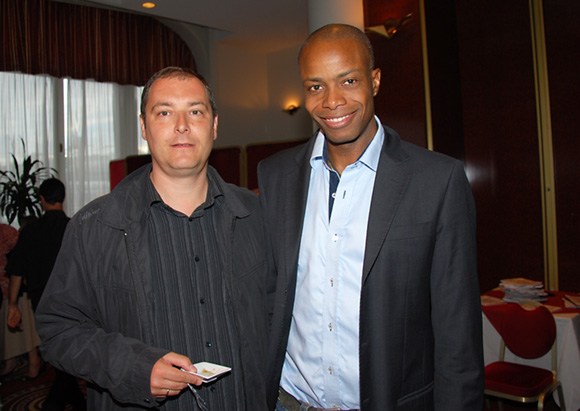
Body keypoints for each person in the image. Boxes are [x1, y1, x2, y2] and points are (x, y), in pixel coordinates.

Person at [258, 24, 483, 410]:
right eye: (315, 86)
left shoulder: (437, 181)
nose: (332, 101)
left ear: (375, 81)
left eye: (348, 80)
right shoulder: (274, 175)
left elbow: (457, 336)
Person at [35, 67, 270, 410]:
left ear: (214, 124)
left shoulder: (257, 215)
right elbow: (58, 329)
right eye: (164, 112)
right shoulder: (95, 226)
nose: (182, 125)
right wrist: (132, 367)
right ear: (144, 127)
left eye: (195, 111)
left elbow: (280, 314)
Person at [7, 178, 86, 410]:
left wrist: (12, 305)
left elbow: (16, 272)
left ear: (41, 200)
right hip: (75, 300)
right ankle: (73, 401)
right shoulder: (75, 227)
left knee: (55, 349)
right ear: (63, 197)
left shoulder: (30, 231)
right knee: (62, 351)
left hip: (43, 301)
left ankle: (58, 403)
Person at [1, 220, 42, 381]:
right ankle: (10, 361)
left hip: (14, 289)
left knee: (26, 331)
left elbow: (22, 256)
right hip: (8, 289)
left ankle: (34, 363)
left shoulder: (6, 232)